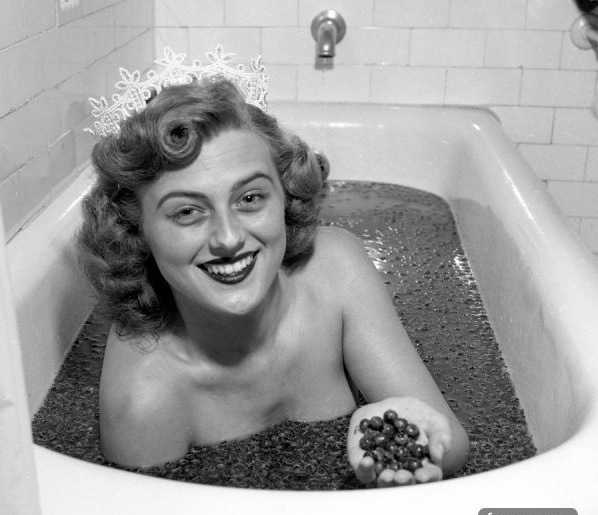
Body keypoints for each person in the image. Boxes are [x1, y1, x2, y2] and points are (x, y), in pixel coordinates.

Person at [77, 77, 469, 487]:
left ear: (285, 196)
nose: (228, 238)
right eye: (187, 212)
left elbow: (450, 439)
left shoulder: (336, 269)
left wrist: (402, 448)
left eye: (249, 199)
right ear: (136, 231)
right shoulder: (144, 402)